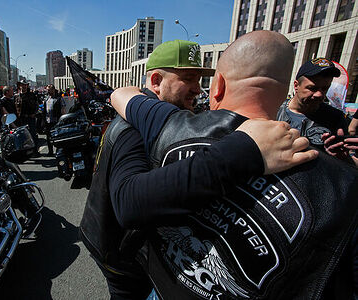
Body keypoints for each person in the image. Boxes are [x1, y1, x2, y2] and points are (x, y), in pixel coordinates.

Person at [110, 31, 357, 299]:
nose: (198, 89)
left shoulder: (172, 123)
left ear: (217, 86)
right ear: (288, 88)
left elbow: (121, 94)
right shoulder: (344, 188)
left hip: (161, 284)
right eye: (190, 79)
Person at [276, 58, 349, 147]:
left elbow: (344, 157)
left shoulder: (336, 118)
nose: (319, 94)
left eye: (324, 88)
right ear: (296, 85)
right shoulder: (273, 110)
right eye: (312, 88)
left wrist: (341, 157)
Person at [14, 80, 39, 156]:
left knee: (33, 135)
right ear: (20, 86)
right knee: (22, 136)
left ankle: (35, 151)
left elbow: (37, 105)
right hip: (21, 119)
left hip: (31, 118)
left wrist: (34, 113)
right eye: (22, 85)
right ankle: (24, 153)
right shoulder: (16, 96)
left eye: (25, 85)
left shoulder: (32, 95)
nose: (24, 86)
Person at [44, 84, 66, 156]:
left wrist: (62, 120)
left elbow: (63, 109)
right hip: (48, 121)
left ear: (53, 90)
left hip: (56, 121)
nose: (48, 91)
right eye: (47, 90)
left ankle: (59, 151)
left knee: (57, 137)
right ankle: (50, 152)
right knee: (48, 137)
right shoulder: (47, 98)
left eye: (49, 90)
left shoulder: (59, 98)